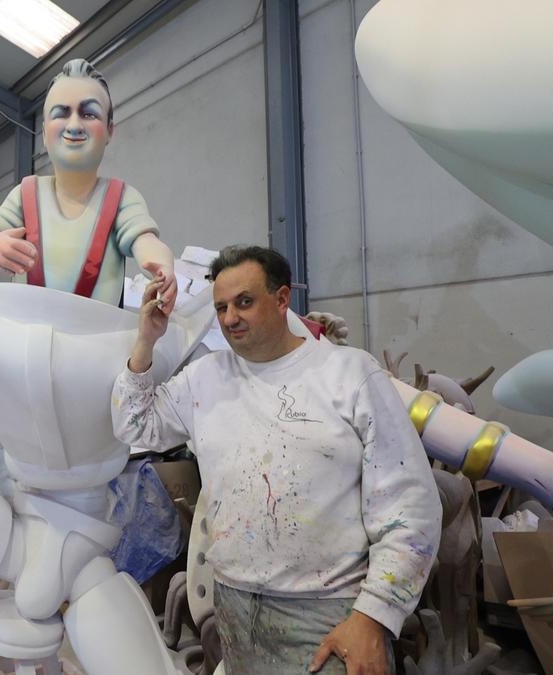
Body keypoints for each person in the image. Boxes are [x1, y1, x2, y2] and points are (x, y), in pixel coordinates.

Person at [111, 245, 441, 674]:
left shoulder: (350, 375)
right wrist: (146, 340)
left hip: (330, 614)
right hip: (233, 609)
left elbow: (410, 506)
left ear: (282, 298)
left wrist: (374, 617)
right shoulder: (206, 378)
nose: (230, 318)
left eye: (244, 302)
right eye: (222, 307)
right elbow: (134, 425)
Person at [0, 58, 178, 312]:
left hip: (95, 340)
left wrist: (162, 266)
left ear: (109, 130)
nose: (73, 126)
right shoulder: (24, 194)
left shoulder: (122, 198)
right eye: (61, 113)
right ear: (44, 134)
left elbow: (145, 240)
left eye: (88, 113)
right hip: (26, 333)